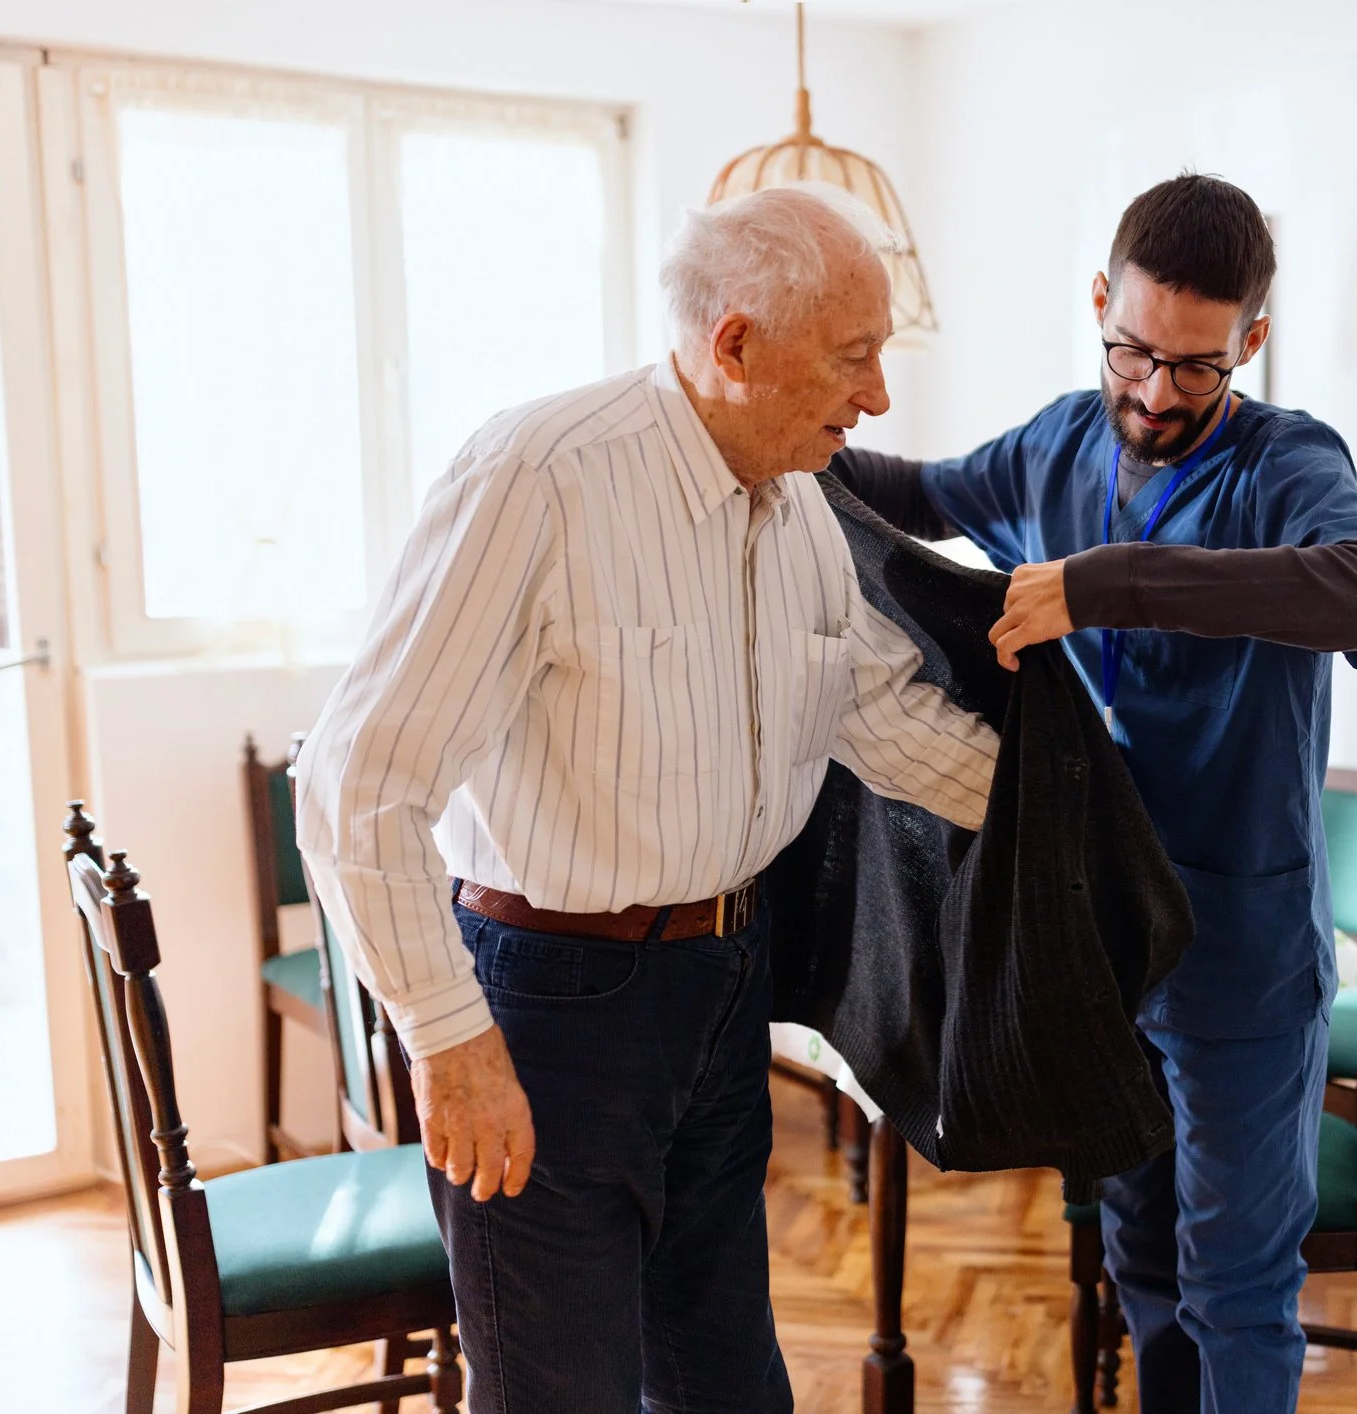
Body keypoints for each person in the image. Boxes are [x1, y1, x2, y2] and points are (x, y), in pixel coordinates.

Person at [296, 184, 999, 1414]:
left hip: (722, 988)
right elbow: (360, 780)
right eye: (852, 356)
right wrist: (449, 1040)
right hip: (549, 1010)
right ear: (733, 344)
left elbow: (877, 715)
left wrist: (1066, 812)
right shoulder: (539, 473)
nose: (877, 396)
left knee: (726, 1386)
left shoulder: (801, 514)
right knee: (557, 1392)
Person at [831, 172, 1357, 1413]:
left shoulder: (1286, 463)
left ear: (1251, 339)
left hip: (1239, 961)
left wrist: (1107, 583)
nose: (1153, 393)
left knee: (1237, 1287)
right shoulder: (1054, 438)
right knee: (1142, 1261)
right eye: (1132, 350)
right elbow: (917, 494)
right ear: (1100, 301)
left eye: (1195, 367)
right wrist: (775, 436)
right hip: (1101, 951)